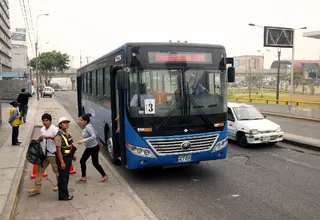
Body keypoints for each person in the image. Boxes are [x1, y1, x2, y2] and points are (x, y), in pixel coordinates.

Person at [28, 113, 59, 194]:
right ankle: (37, 188)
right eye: (43, 120)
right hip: (44, 154)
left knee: (56, 171)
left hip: (53, 154)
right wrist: (36, 140)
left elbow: (58, 141)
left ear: (50, 121)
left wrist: (50, 138)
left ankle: (59, 184)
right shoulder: (42, 129)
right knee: (40, 170)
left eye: (47, 120)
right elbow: (43, 139)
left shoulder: (55, 129)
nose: (45, 122)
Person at [76, 113, 108, 183]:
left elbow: (93, 136)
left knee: (95, 163)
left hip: (93, 148)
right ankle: (83, 177)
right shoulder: (88, 126)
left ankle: (104, 175)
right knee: (82, 161)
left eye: (81, 120)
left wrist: (83, 140)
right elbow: (96, 133)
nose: (80, 122)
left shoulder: (88, 127)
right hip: (90, 147)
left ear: (85, 121)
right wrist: (99, 142)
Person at [54, 117, 77, 201]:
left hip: (68, 157)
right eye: (64, 123)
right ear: (60, 125)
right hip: (63, 158)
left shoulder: (67, 134)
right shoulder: (58, 136)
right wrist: (62, 162)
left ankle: (64, 194)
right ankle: (63, 196)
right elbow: (58, 150)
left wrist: (73, 155)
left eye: (67, 122)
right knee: (63, 178)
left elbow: (70, 146)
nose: (66, 124)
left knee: (66, 177)